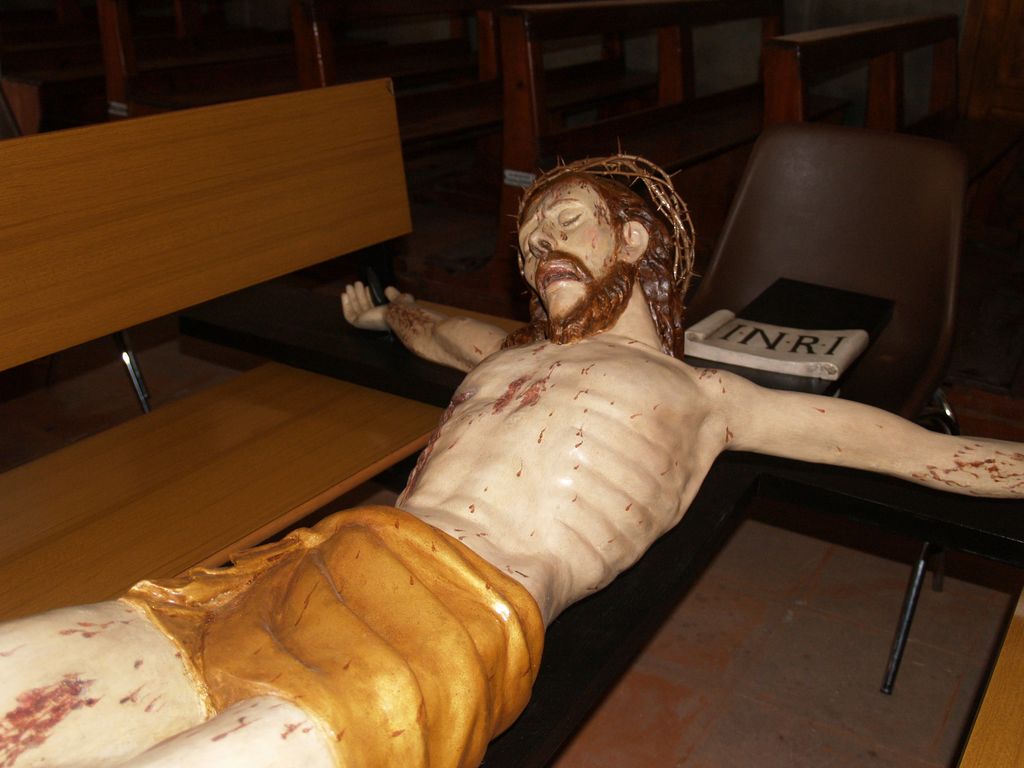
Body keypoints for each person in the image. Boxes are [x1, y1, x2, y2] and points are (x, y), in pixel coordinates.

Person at [2, 156, 1022, 768]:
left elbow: (918, 455)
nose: (541, 253)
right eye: (530, 241)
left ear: (634, 238)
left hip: (442, 626)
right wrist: (387, 311)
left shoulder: (709, 399)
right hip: (308, 565)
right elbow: (434, 329)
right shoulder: (510, 353)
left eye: (565, 224)